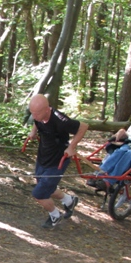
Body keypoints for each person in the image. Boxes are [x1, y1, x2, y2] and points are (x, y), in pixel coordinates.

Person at [26, 94, 89, 229]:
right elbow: (37, 122)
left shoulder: (61, 120)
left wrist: (71, 147)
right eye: (32, 113)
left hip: (58, 160)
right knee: (46, 186)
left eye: (36, 113)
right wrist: (33, 131)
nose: (34, 117)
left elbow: (83, 126)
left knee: (39, 193)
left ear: (47, 109)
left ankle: (55, 215)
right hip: (43, 156)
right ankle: (69, 200)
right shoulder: (38, 116)